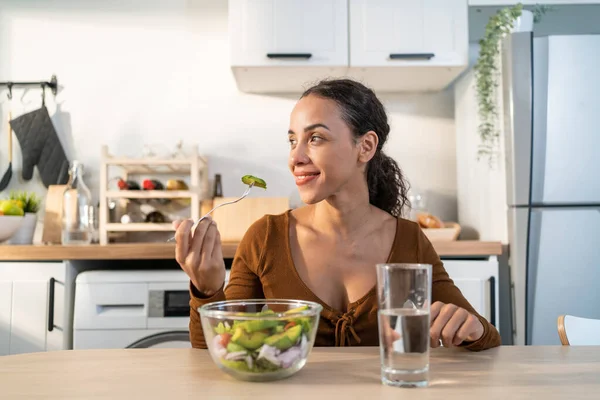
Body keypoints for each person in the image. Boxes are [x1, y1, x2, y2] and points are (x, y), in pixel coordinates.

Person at [174, 78, 501, 351]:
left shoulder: (409, 240)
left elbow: (486, 338)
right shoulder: (265, 237)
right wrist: (206, 290)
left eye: (315, 138)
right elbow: (221, 349)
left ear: (366, 147)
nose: (296, 157)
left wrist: (469, 328)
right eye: (292, 141)